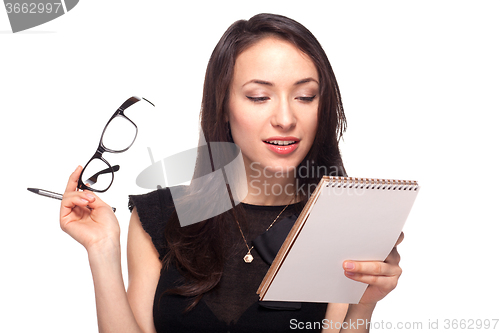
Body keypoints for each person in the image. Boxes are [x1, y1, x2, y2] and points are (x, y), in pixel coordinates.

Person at [60, 13, 403, 333]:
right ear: (223, 105)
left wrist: (364, 306)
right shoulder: (163, 215)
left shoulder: (335, 222)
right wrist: (103, 252)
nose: (285, 118)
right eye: (258, 96)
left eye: (305, 95)